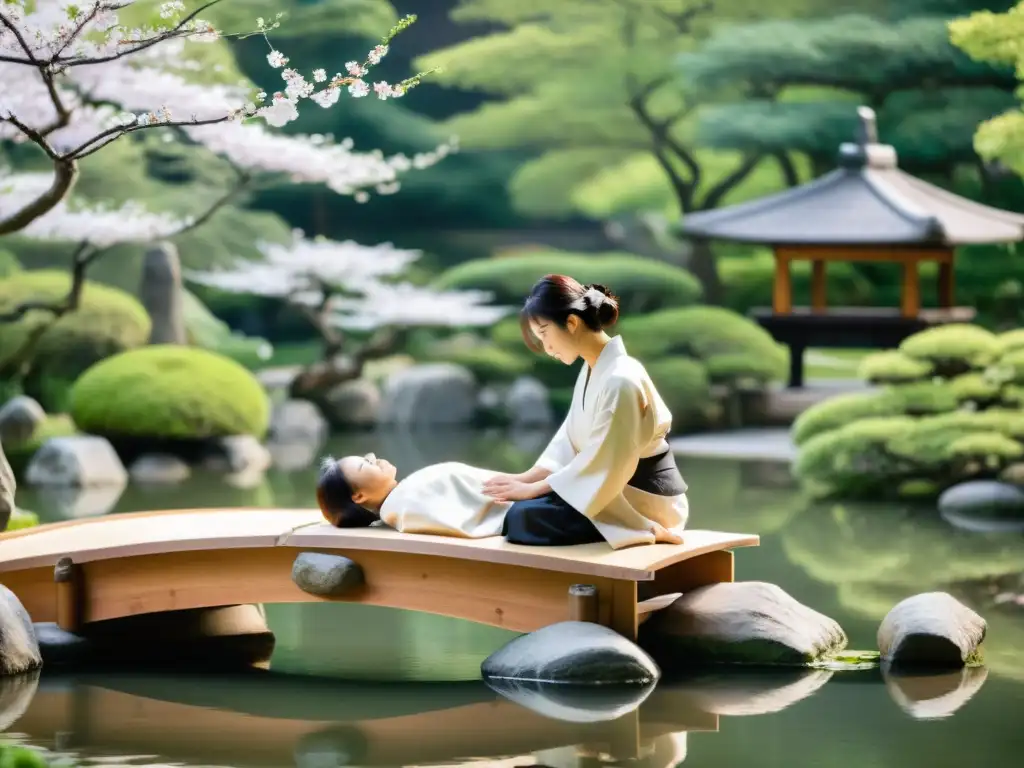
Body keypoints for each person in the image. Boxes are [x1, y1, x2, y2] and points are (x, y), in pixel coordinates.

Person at [480, 274, 689, 549]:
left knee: (525, 516)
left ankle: (649, 528)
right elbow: (568, 441)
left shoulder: (621, 378)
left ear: (572, 322)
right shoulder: (593, 368)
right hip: (604, 486)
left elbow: (604, 461)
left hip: (642, 498)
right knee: (522, 511)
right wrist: (526, 478)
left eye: (544, 333)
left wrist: (532, 490)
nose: (546, 348)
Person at [316, 453, 513, 539]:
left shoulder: (402, 502)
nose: (375, 460)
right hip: (523, 510)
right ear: (359, 497)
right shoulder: (409, 502)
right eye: (366, 463)